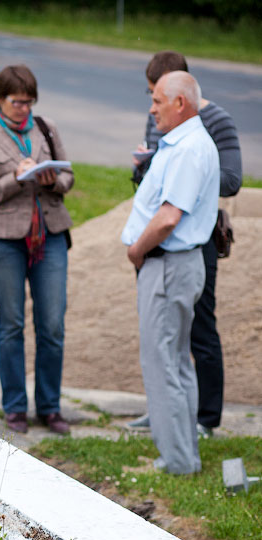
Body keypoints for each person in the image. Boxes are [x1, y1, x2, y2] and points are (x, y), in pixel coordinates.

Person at [129, 51, 243, 438]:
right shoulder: (161, 116)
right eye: (149, 95)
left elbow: (229, 179)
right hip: (157, 244)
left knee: (198, 330)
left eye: (157, 97)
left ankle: (205, 418)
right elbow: (154, 172)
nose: (151, 106)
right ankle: (166, 413)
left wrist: (186, 179)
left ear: (181, 95)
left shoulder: (214, 124)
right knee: (164, 340)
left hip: (196, 241)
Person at [0, 65, 74, 435]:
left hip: (51, 235)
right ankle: (14, 408)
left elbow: (69, 177)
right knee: (10, 325)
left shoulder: (47, 127)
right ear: (0, 99)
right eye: (17, 102)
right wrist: (14, 180)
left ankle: (50, 407)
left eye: (29, 102)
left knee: (53, 323)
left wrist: (52, 180)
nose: (24, 109)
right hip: (2, 243)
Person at [121, 71, 219, 475]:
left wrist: (135, 251)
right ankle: (183, 454)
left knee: (162, 363)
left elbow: (168, 217)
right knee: (176, 361)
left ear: (181, 103)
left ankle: (176, 462)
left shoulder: (188, 149)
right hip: (174, 265)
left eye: (158, 100)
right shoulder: (184, 143)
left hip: (166, 264)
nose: (152, 107)